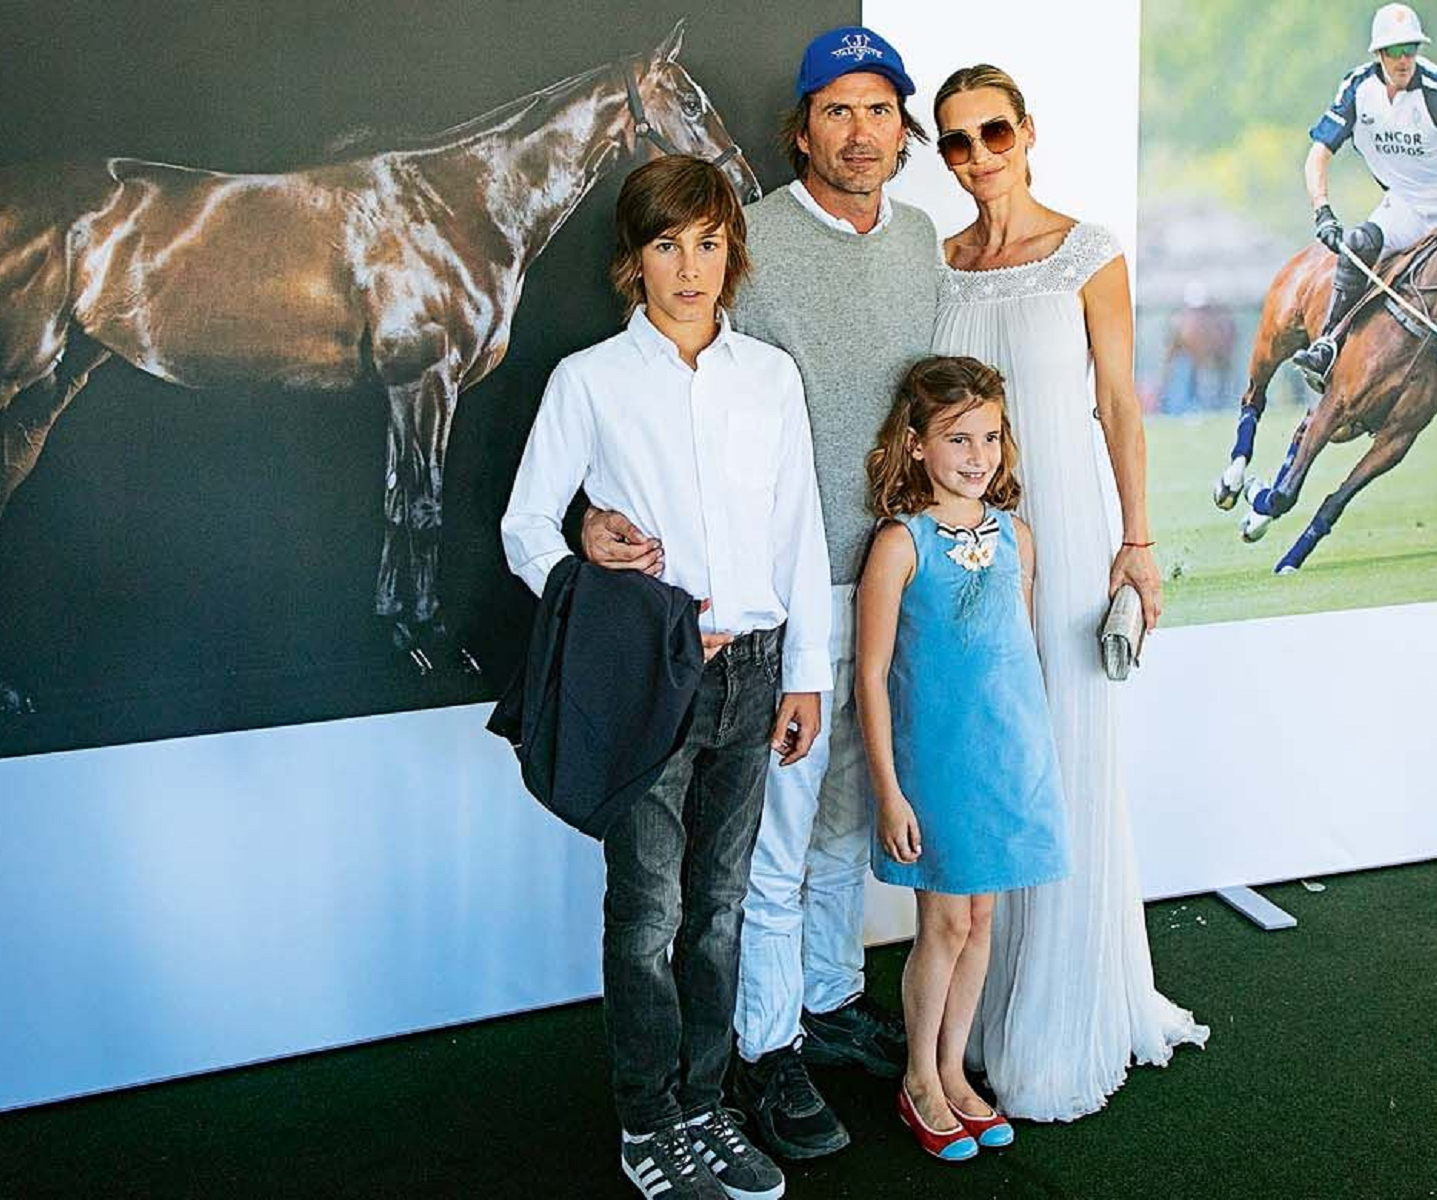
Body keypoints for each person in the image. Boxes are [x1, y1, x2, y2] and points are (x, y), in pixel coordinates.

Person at [580, 26, 940, 1161]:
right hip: (787, 587)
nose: (858, 131)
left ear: (901, 127)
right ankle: (764, 1047)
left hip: (894, 570)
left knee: (845, 815)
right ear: (800, 130)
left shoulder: (923, 238)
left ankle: (827, 1002)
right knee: (771, 843)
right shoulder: (750, 239)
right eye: (835, 110)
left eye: (878, 109)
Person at [501, 154, 831, 1200]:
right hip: (647, 678)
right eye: (664, 244)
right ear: (630, 260)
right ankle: (648, 1127)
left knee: (719, 908)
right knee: (645, 916)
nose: (688, 268)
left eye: (706, 242)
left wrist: (804, 677)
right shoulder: (589, 382)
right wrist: (582, 559)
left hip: (755, 671)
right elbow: (520, 526)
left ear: (730, 250)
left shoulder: (769, 377)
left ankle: (703, 1106)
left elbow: (798, 534)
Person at [929, 64, 1209, 1121]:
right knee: (985, 758)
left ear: (1028, 132)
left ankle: (1060, 1021)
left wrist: (1135, 543)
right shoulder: (940, 263)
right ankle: (974, 1015)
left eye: (991, 132)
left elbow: (1118, 410)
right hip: (967, 551)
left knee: (1061, 763)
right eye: (953, 143)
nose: (975, 157)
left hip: (1070, 536)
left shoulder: (1088, 254)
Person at [857, 356, 1070, 1161]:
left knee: (983, 920)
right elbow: (872, 678)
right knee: (944, 922)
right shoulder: (899, 544)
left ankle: (953, 1068)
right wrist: (889, 791)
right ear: (915, 444)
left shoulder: (1016, 537)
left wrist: (1033, 756)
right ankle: (918, 1079)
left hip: (1007, 763)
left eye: (989, 437)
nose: (977, 455)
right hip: (936, 767)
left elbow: (1014, 655)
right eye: (956, 438)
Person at [1288, 2, 1437, 420]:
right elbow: (1317, 156)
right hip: (1404, 207)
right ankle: (1327, 345)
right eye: (1394, 51)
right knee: (1356, 247)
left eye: (1410, 48)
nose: (1404, 59)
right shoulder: (1357, 90)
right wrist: (1323, 210)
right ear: (1378, 54)